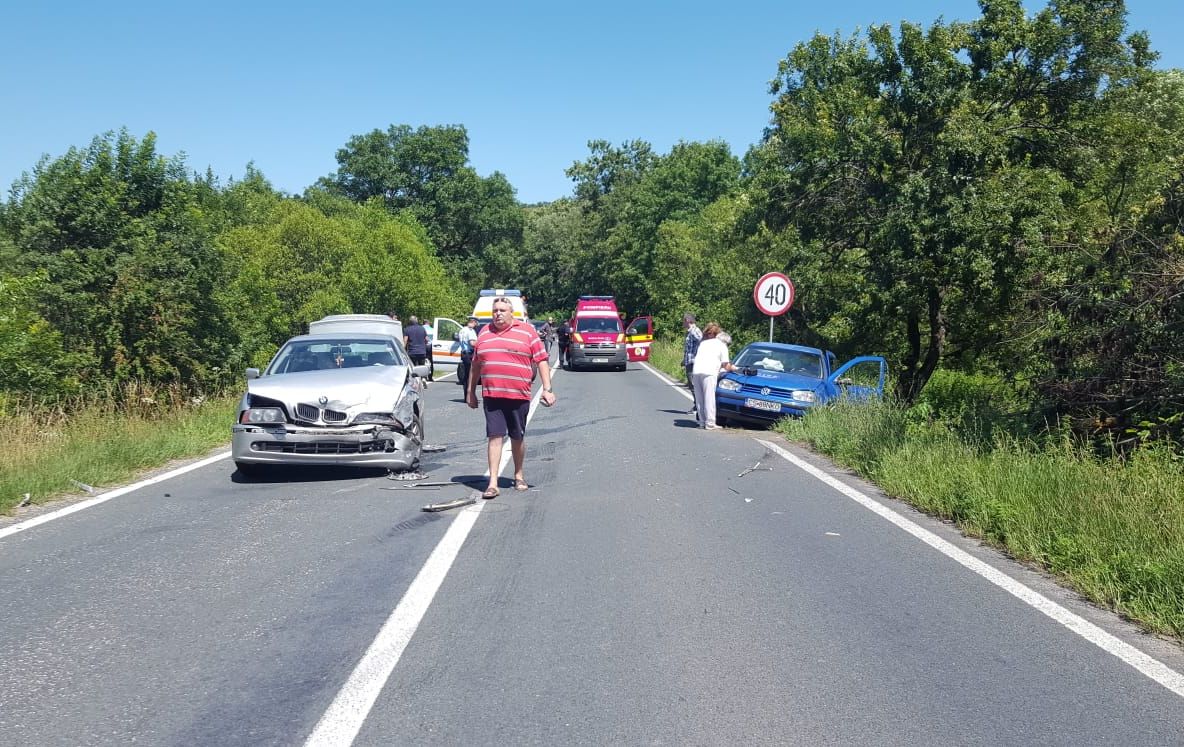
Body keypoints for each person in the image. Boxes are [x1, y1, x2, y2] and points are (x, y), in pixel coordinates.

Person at [466, 296, 556, 498]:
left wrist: (547, 389)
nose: (498, 314)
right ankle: (493, 483)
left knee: (517, 436)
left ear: (512, 313)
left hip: (518, 394)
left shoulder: (527, 332)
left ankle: (518, 474)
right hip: (492, 394)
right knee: (494, 436)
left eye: (502, 310)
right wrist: (470, 391)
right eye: (495, 310)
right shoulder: (484, 333)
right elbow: (476, 364)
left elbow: (541, 360)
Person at [691, 322, 737, 430]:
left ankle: (702, 422)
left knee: (700, 399)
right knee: (709, 398)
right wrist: (734, 368)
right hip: (709, 373)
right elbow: (726, 365)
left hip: (696, 371)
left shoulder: (703, 343)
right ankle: (710, 423)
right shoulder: (722, 345)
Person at [683, 313, 703, 413]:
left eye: (684, 321)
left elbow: (702, 341)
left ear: (687, 320)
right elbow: (688, 348)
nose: (683, 323)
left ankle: (698, 405)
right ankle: (697, 404)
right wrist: (684, 360)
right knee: (691, 384)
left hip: (694, 361)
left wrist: (697, 355)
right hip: (689, 361)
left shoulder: (695, 331)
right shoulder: (689, 331)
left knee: (694, 384)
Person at [403, 315, 431, 386]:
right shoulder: (422, 329)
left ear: (410, 322)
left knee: (413, 367)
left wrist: (403, 349)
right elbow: (427, 339)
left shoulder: (407, 329)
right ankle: (423, 378)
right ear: (417, 321)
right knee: (422, 365)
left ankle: (415, 382)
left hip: (412, 351)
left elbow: (405, 341)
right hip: (422, 351)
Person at [455, 315, 479, 388]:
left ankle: (466, 396)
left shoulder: (462, 330)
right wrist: (479, 344)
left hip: (464, 354)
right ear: (474, 322)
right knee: (470, 375)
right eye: (476, 323)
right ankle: (469, 395)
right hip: (469, 354)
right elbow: (472, 343)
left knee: (466, 376)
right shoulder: (470, 331)